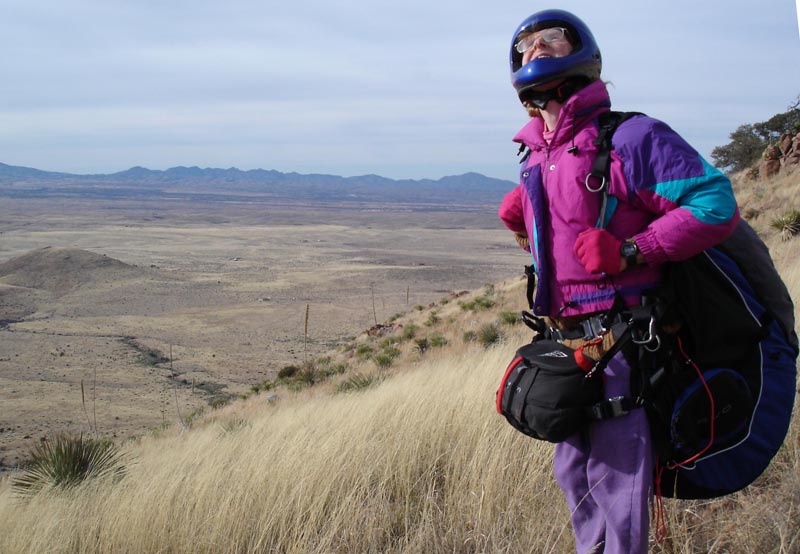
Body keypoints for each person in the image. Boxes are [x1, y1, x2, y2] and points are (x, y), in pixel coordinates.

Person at [497, 9, 740, 554]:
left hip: (623, 340)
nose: (536, 48)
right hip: (564, 343)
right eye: (525, 46)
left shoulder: (630, 137)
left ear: (581, 50)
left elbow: (715, 203)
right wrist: (524, 214)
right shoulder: (537, 155)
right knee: (574, 476)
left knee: (617, 484)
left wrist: (633, 250)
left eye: (551, 38)